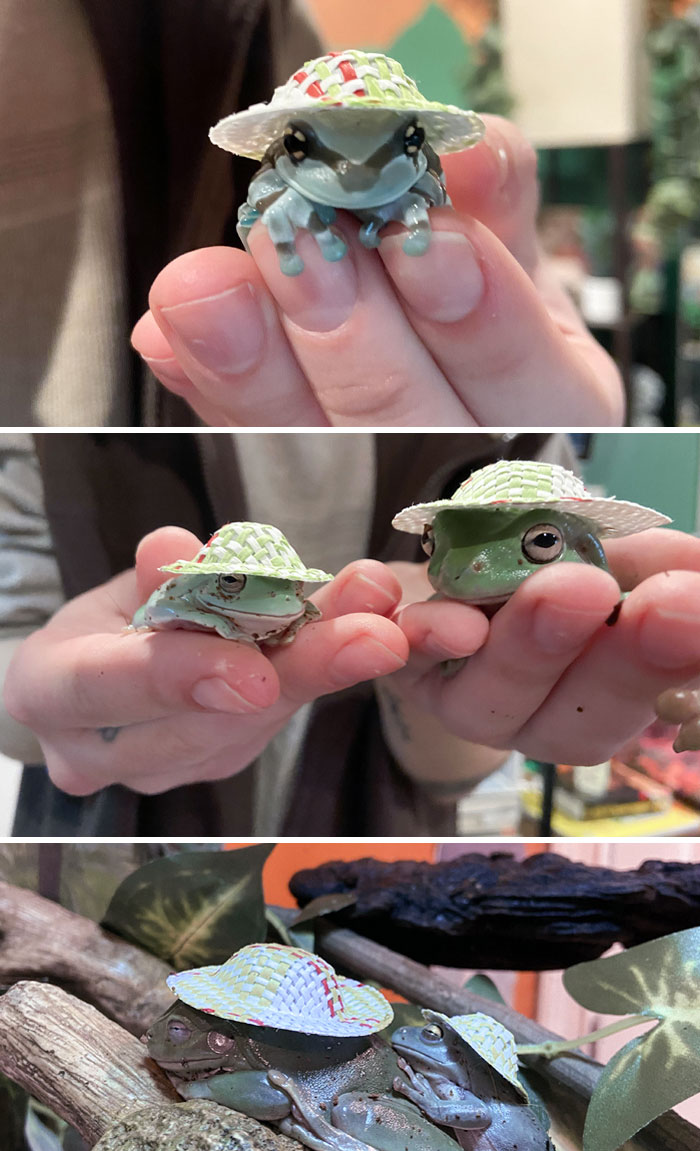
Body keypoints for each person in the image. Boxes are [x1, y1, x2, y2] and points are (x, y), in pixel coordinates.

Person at [3, 430, 700, 838]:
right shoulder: (44, 447)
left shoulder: (510, 438)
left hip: (381, 810)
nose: (459, 569)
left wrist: (441, 693)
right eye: (437, 546)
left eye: (542, 540)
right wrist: (38, 698)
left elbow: (459, 757)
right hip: (99, 823)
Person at [2, 1, 623, 428]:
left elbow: (426, 181)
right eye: (303, 145)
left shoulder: (250, 26)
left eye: (405, 142)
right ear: (287, 145)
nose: (355, 171)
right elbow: (255, 209)